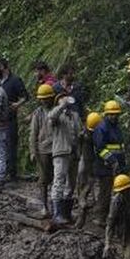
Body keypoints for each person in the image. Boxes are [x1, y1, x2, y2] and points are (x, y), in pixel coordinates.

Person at [47, 94, 83, 224]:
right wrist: (62, 106)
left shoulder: (75, 116)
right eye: (63, 98)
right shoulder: (56, 115)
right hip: (61, 152)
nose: (67, 99)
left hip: (73, 153)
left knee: (71, 184)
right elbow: (51, 117)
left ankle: (66, 213)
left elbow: (79, 131)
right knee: (59, 181)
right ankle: (57, 213)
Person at [92, 100, 127, 226]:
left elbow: (119, 147)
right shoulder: (101, 128)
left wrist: (122, 163)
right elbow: (100, 149)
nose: (114, 117)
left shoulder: (116, 127)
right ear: (106, 114)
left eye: (116, 114)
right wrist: (112, 161)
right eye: (111, 114)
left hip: (118, 164)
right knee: (105, 193)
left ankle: (113, 217)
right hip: (105, 166)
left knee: (118, 192)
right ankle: (100, 217)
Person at [29, 84, 56, 217]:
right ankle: (44, 206)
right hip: (43, 150)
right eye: (42, 99)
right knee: (44, 179)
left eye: (47, 98)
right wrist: (33, 151)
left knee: (57, 179)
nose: (44, 101)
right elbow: (33, 134)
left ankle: (56, 206)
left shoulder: (57, 110)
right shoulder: (38, 113)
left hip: (57, 148)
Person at [77, 112, 102, 209]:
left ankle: (94, 199)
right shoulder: (83, 134)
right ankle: (81, 198)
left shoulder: (100, 131)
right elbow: (79, 146)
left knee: (93, 179)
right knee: (82, 176)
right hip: (86, 157)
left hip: (95, 158)